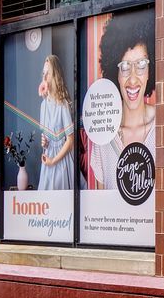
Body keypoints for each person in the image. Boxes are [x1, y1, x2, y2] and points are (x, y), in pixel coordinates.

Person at [91, 12, 156, 187]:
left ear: (151, 71)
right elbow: (100, 203)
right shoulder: (104, 133)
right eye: (125, 67)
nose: (133, 79)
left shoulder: (163, 128)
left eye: (141, 65)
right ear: (115, 73)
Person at [37, 53, 75, 191]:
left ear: (55, 76)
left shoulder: (62, 104)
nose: (44, 77)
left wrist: (53, 161)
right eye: (43, 73)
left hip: (61, 162)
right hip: (48, 161)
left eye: (48, 73)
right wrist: (45, 142)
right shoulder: (43, 106)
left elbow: (70, 141)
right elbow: (47, 137)